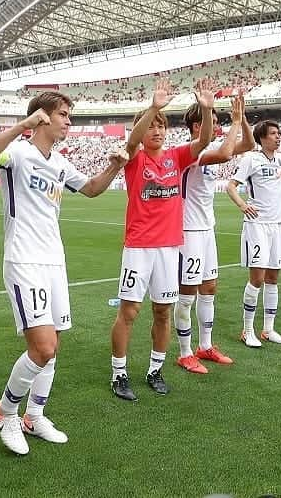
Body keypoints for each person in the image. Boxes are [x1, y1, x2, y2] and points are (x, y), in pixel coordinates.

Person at [0, 91, 128, 455]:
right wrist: (21, 127)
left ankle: (35, 415)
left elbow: (91, 189)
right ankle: (6, 411)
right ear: (42, 117)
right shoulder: (18, 154)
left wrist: (115, 166)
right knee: (42, 347)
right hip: (24, 260)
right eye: (63, 115)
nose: (69, 122)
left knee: (54, 347)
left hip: (54, 263)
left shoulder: (59, 163)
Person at [110, 79, 214, 401]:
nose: (157, 130)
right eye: (152, 126)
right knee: (129, 312)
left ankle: (155, 369)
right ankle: (119, 373)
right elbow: (132, 142)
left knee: (162, 312)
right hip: (139, 247)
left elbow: (204, 141)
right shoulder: (134, 159)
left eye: (161, 125)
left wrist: (208, 111)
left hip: (169, 248)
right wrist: (154, 107)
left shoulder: (177, 157)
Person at [174, 93, 255, 374]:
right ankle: (184, 353)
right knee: (187, 294)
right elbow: (223, 153)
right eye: (213, 122)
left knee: (209, 288)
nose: (218, 127)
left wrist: (241, 119)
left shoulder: (208, 149)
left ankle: (205, 346)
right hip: (189, 231)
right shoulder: (191, 151)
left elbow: (249, 144)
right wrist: (233, 122)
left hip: (207, 229)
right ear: (198, 126)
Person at [227, 116, 281, 347]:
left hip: (277, 225)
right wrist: (243, 205)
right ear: (262, 137)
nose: (278, 137)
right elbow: (231, 186)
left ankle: (268, 329)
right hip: (257, 226)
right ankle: (247, 330)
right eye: (274, 134)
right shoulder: (251, 159)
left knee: (273, 278)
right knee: (257, 278)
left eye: (279, 133)